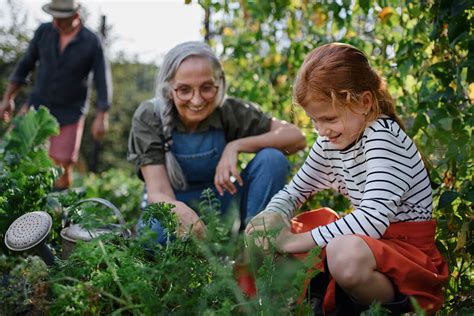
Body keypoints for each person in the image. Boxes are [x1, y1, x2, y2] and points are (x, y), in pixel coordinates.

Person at [246, 43, 448, 314]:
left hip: (406, 255)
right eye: (314, 121)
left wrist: (291, 242)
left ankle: (385, 308)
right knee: (260, 227)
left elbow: (372, 220)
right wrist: (274, 216)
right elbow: (294, 192)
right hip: (369, 244)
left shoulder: (382, 136)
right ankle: (288, 304)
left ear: (364, 102)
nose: (322, 130)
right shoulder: (331, 141)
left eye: (328, 118)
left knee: (344, 254)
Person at [127, 41, 306, 244]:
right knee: (156, 235)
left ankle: (255, 246)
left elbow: (295, 137)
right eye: (184, 90)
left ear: (219, 84)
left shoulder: (229, 111)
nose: (197, 100)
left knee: (272, 159)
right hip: (172, 205)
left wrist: (235, 146)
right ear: (169, 89)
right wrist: (185, 217)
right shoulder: (150, 116)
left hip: (223, 207)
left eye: (207, 88)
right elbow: (158, 192)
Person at [0, 0, 112, 189]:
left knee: (60, 166)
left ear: (75, 16)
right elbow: (25, 65)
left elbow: (103, 80)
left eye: (62, 19)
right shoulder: (44, 31)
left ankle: (56, 210)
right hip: (37, 106)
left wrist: (102, 116)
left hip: (70, 112)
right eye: (54, 17)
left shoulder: (92, 41)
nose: (56, 23)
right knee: (11, 151)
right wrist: (7, 98)